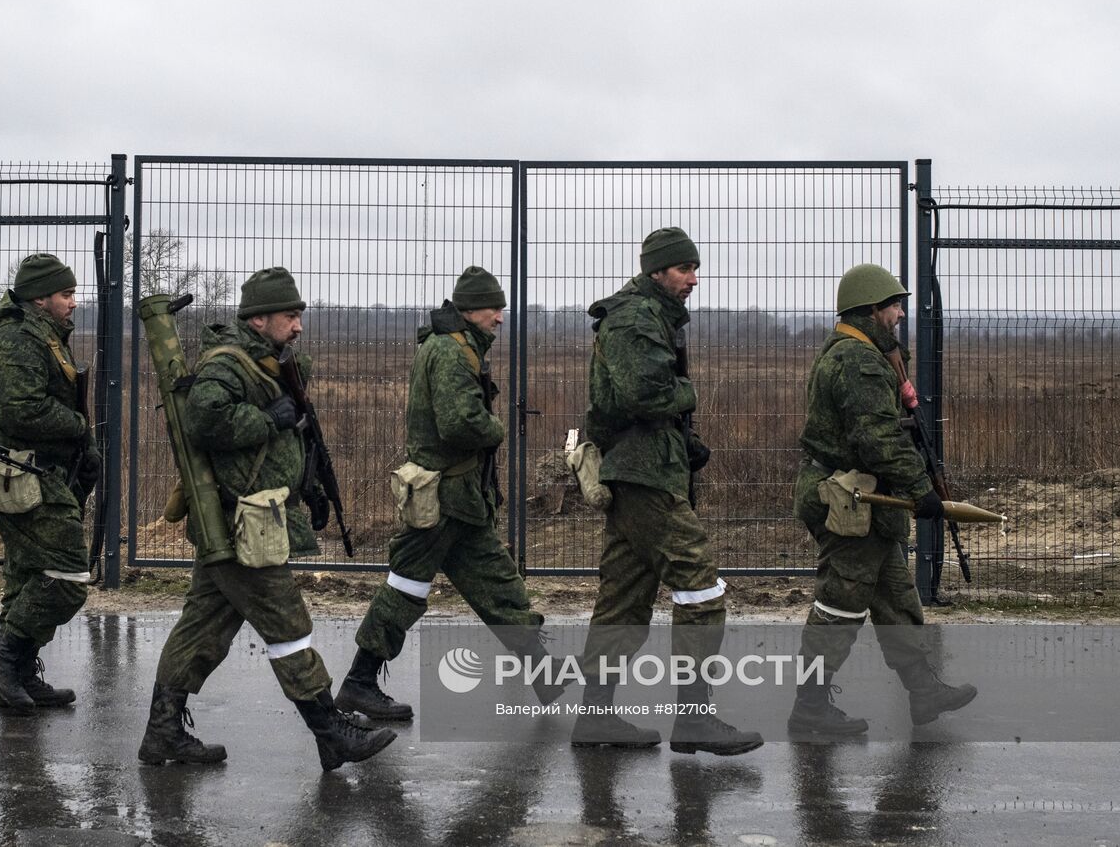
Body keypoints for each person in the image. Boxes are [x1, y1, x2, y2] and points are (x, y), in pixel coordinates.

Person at [138, 267, 396, 771]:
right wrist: (264, 420)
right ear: (258, 320)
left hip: (257, 518)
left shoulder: (274, 363)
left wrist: (312, 487)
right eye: (289, 315)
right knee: (288, 625)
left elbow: (293, 437)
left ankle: (163, 734)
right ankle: (330, 730)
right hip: (242, 525)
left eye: (299, 315)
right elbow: (203, 420)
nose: (298, 325)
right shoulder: (229, 365)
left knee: (201, 630)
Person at [338, 266, 559, 721]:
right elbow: (460, 424)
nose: (500, 317)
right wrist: (497, 428)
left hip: (461, 498)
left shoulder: (454, 347)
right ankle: (359, 684)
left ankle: (543, 672)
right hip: (444, 497)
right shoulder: (452, 353)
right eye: (494, 308)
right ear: (471, 310)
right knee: (407, 586)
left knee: (495, 579)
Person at [572, 227, 762, 754]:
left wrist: (687, 440)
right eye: (684, 269)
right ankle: (694, 717)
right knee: (700, 587)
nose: (693, 280)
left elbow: (653, 399)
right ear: (658, 270)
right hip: (644, 474)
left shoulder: (653, 315)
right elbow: (646, 393)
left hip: (646, 466)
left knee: (624, 599)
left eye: (695, 269)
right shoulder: (635, 317)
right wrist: (689, 393)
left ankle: (595, 717)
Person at [787, 264, 976, 736]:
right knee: (840, 602)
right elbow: (876, 437)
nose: (898, 315)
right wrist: (921, 489)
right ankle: (810, 707)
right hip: (849, 499)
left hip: (869, 501)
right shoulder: (858, 361)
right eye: (893, 307)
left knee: (895, 597)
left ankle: (924, 691)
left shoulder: (866, 353)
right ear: (871, 310)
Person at [0, 254, 99, 714]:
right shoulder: (19, 339)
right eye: (66, 294)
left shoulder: (45, 337)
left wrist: (85, 450)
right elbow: (17, 410)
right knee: (66, 574)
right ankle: (6, 661)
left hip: (43, 472)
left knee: (26, 575)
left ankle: (18, 676)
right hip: (24, 473)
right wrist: (79, 426)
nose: (73, 302)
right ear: (40, 298)